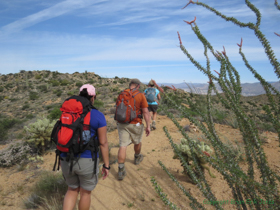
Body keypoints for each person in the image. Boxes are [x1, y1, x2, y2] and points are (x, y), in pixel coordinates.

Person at [61, 84, 110, 210]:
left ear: (78, 96)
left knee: (71, 190)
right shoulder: (98, 115)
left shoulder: (67, 112)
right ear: (93, 97)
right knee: (85, 193)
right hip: (87, 160)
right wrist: (106, 165)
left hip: (66, 158)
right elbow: (103, 143)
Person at [116, 79, 151, 180]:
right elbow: (145, 112)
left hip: (122, 123)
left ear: (130, 85)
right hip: (136, 123)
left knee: (123, 146)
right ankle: (137, 157)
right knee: (137, 142)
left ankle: (121, 170)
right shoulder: (140, 95)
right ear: (138, 86)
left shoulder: (122, 94)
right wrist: (148, 126)